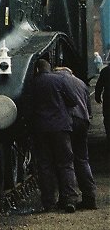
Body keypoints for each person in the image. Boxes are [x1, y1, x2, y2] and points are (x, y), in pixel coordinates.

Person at [30, 59, 79, 213]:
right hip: (60, 127)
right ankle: (69, 199)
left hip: (40, 129)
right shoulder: (59, 80)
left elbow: (27, 104)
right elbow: (73, 100)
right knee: (65, 163)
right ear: (49, 68)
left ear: (37, 70)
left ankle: (49, 202)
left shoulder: (32, 83)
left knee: (45, 165)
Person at [55, 66, 96, 210]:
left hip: (67, 123)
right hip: (82, 121)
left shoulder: (58, 82)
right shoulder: (80, 82)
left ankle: (70, 199)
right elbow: (88, 108)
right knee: (83, 160)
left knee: (66, 161)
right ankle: (90, 196)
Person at [96, 62, 110, 139]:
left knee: (108, 117)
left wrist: (97, 96)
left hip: (108, 97)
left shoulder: (105, 70)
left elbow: (99, 85)